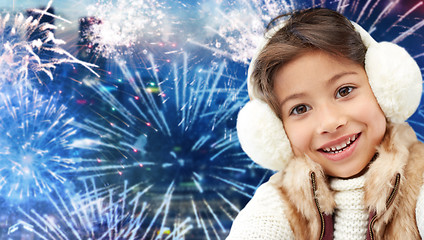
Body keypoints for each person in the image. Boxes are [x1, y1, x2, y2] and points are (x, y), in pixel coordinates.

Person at [227, 8, 424, 239]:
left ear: (382, 86)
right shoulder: (277, 204)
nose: (330, 123)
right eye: (300, 109)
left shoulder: (418, 180)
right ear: (277, 130)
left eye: (344, 90)